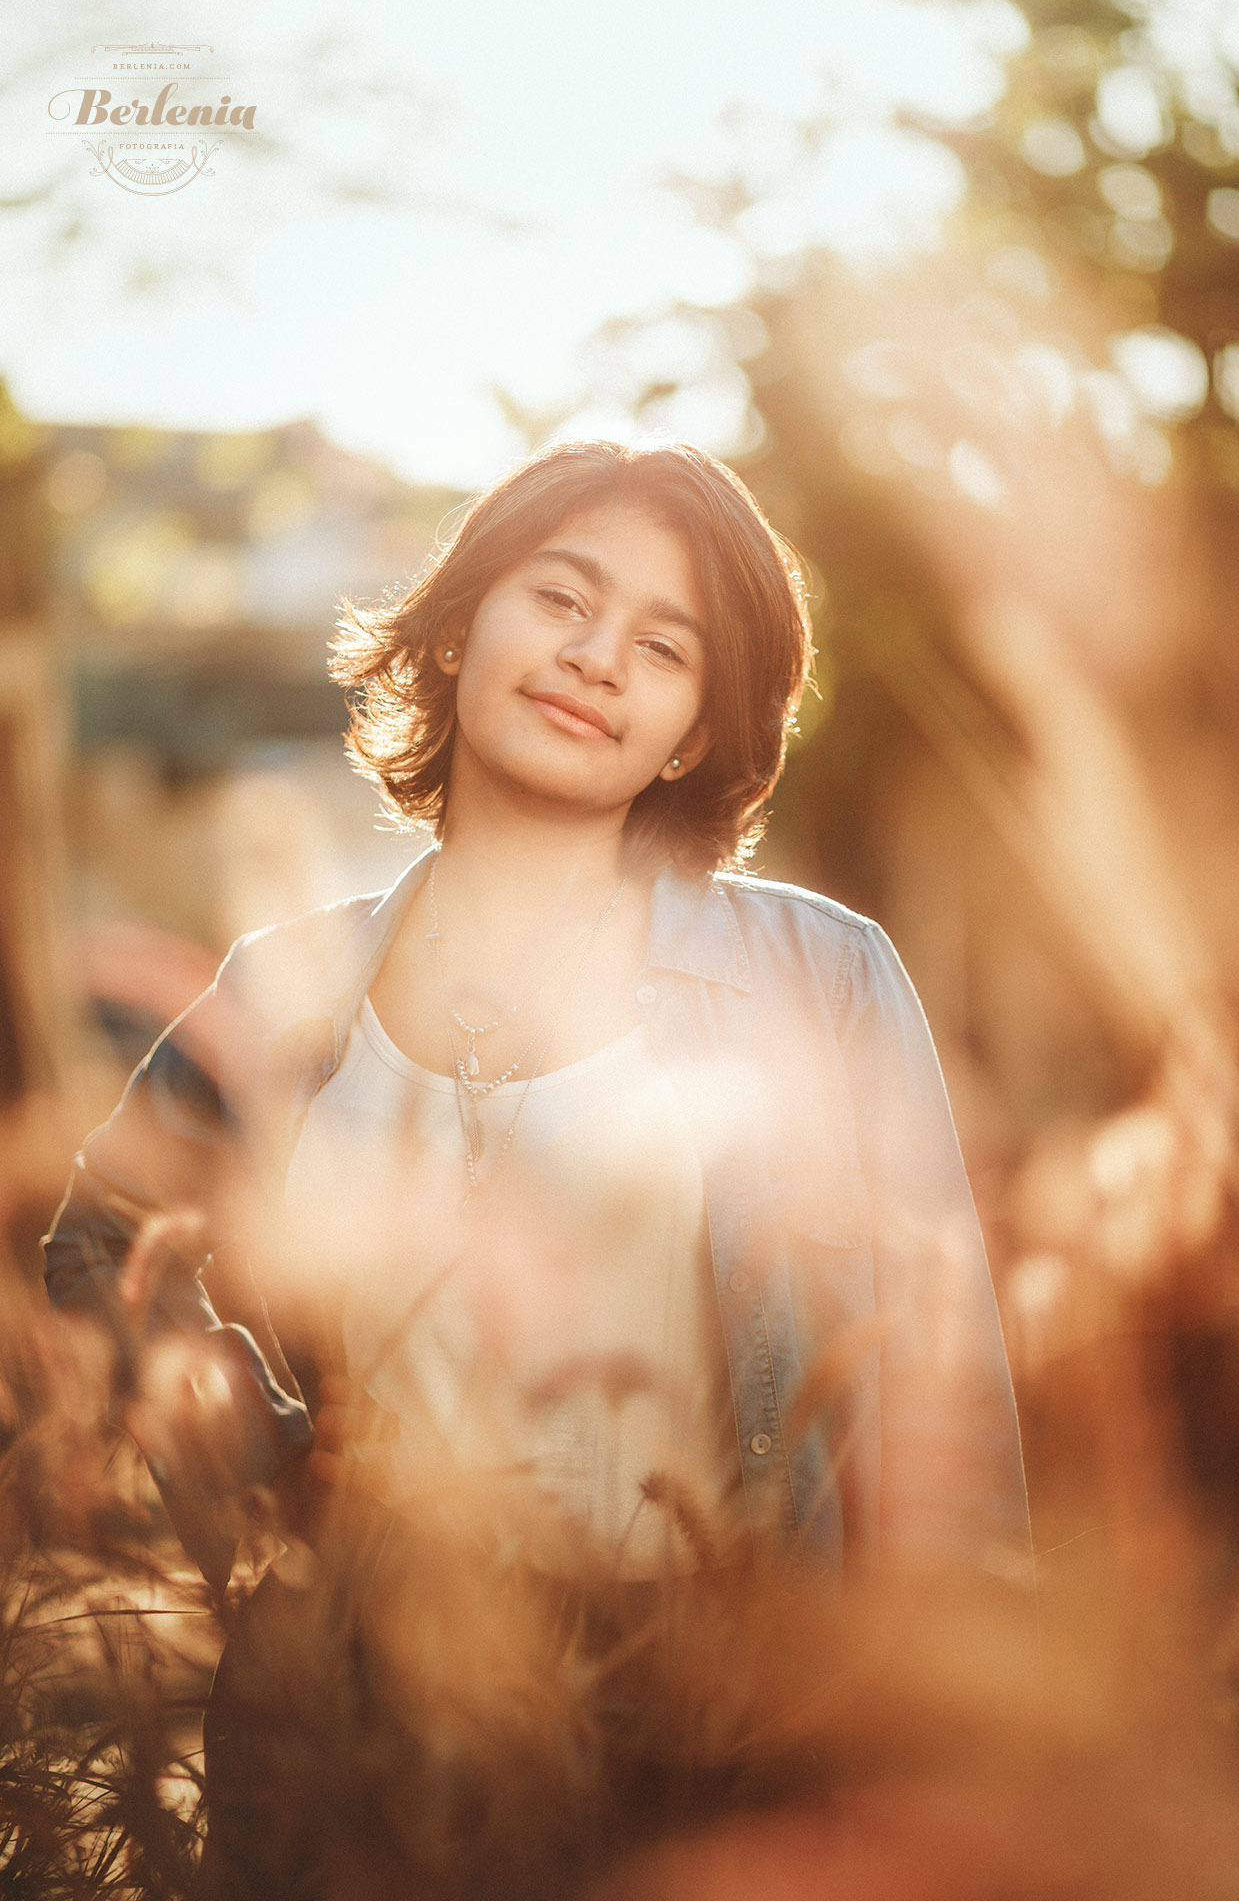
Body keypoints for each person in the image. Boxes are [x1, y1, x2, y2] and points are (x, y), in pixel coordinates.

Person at [43, 438, 1030, 1891]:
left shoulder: (820, 975)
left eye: (662, 645)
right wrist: (261, 1452)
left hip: (716, 1710)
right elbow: (81, 1250)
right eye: (560, 599)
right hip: (352, 1705)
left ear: (695, 731)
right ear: (456, 630)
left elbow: (941, 1396)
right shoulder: (283, 983)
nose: (596, 660)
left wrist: (944, 1745)